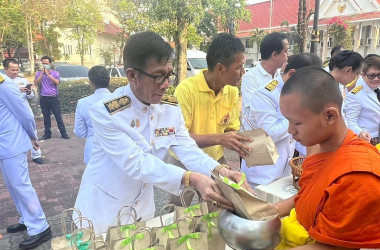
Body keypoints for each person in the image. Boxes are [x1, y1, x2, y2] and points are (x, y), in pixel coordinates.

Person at [74, 31, 249, 234]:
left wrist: (219, 170)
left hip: (143, 211)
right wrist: (192, 178)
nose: (166, 84)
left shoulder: (169, 107)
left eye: (169, 75)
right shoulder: (107, 113)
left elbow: (186, 147)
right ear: (132, 75)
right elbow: (137, 163)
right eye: (158, 76)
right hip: (103, 214)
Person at [242, 67, 380, 250]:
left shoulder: (359, 173)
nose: (290, 130)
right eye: (287, 120)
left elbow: (342, 249)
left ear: (330, 116)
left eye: (297, 122)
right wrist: (270, 210)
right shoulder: (317, 147)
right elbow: (309, 196)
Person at [167, 33, 252, 207]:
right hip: (183, 163)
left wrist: (240, 142)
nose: (243, 72)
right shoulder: (186, 90)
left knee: (216, 211)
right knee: (178, 214)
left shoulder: (232, 91)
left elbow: (229, 129)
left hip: (216, 161)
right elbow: (178, 139)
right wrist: (220, 138)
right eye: (239, 67)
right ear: (220, 68)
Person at [240, 54, 322, 188]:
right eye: (308, 82)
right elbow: (270, 133)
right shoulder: (264, 94)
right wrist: (298, 115)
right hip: (262, 173)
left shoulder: (297, 94)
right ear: (291, 74)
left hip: (285, 171)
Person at [0, 75, 51, 250]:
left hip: (11, 142)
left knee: (21, 185)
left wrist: (32, 135)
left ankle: (40, 227)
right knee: (13, 186)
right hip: (3, 144)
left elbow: (24, 112)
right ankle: (26, 219)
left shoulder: (4, 83)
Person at [2, 58, 44, 164]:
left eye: (17, 70)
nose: (15, 72)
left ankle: (36, 154)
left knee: (32, 132)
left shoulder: (22, 80)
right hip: (11, 116)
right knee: (16, 136)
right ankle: (20, 156)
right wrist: (17, 91)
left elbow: (30, 96)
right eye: (12, 70)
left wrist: (29, 92)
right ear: (5, 69)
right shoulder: (3, 83)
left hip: (25, 111)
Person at [241, 32, 289, 117]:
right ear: (274, 55)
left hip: (278, 127)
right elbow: (256, 108)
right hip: (256, 129)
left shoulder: (280, 75)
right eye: (285, 51)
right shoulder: (251, 77)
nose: (288, 55)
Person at [74, 66, 111, 164]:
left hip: (93, 149)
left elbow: (80, 132)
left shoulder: (82, 103)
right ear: (109, 80)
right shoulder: (120, 101)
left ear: (91, 83)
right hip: (117, 149)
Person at [344, 55, 380, 145]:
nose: (376, 79)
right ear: (363, 74)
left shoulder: (376, 89)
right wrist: (360, 132)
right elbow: (350, 121)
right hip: (368, 142)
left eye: (379, 75)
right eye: (372, 75)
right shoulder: (355, 95)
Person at [34, 56, 70, 140]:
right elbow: (36, 82)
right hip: (44, 97)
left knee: (58, 116)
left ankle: (63, 133)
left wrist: (48, 74)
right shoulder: (39, 73)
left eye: (46, 63)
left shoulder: (55, 73)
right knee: (46, 117)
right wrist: (42, 74)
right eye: (43, 63)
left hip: (53, 98)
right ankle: (47, 134)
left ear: (50, 64)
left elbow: (57, 82)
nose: (45, 65)